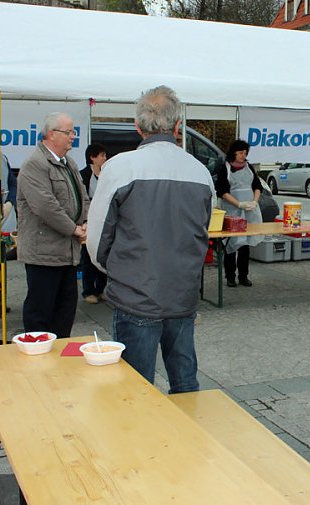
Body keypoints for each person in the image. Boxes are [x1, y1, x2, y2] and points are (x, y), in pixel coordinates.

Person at [86, 86, 214, 393]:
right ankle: (190, 437)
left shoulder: (119, 167)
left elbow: (97, 238)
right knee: (184, 381)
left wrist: (115, 270)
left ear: (138, 126)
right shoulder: (200, 173)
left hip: (136, 294)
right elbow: (203, 230)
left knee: (135, 388)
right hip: (182, 293)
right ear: (178, 126)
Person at [16, 112, 89, 338]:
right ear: (51, 134)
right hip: (43, 255)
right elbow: (46, 206)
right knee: (41, 312)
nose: (73, 137)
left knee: (65, 311)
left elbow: (83, 196)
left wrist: (85, 222)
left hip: (67, 254)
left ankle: (59, 360)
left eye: (73, 132)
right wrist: (74, 229)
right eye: (68, 132)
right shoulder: (34, 165)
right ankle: (38, 362)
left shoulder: (69, 164)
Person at [216, 139, 263, 287]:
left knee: (245, 245)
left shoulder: (249, 167)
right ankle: (230, 276)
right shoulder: (225, 167)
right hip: (232, 210)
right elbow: (222, 191)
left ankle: (244, 276)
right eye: (240, 152)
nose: (243, 155)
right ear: (234, 152)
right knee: (231, 243)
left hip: (249, 211)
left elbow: (257, 186)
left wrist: (254, 201)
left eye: (245, 153)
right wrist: (238, 204)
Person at [79, 143, 108, 303]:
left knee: (103, 254)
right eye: (102, 155)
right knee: (87, 256)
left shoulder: (107, 174)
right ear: (92, 157)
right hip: (88, 220)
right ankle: (88, 290)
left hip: (104, 219)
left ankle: (102, 289)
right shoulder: (83, 175)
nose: (104, 158)